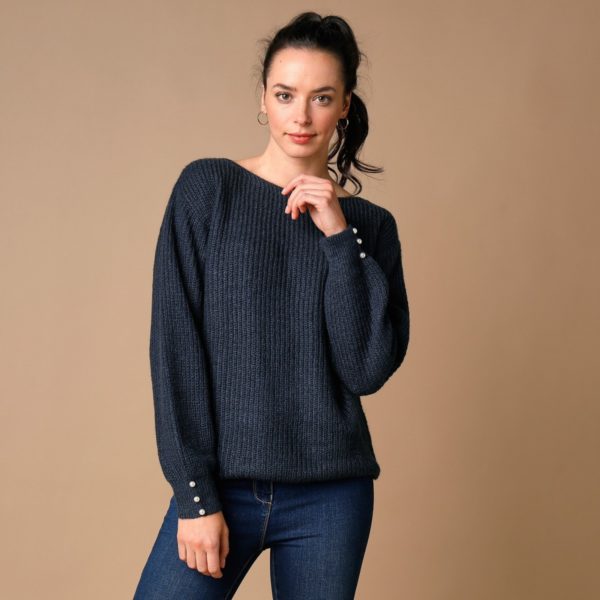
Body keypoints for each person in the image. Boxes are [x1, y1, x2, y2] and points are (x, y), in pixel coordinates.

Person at [134, 11, 410, 600]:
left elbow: (366, 367)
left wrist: (338, 237)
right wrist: (195, 497)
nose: (301, 116)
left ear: (345, 106)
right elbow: (175, 349)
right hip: (222, 487)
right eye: (286, 95)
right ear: (263, 98)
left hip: (331, 496)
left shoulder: (370, 228)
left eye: (321, 98)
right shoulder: (208, 190)